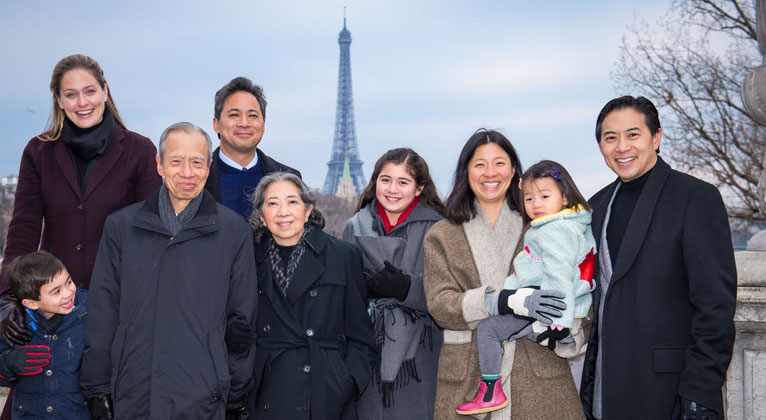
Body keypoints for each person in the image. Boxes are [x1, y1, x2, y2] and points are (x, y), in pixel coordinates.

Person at [0, 54, 162, 419]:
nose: (82, 102)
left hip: (113, 305)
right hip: (54, 307)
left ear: (105, 90)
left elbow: (151, 235)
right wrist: (9, 297)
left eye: (89, 91)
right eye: (71, 95)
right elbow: (22, 230)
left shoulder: (139, 150)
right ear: (58, 100)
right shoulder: (38, 151)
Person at [79, 122, 257, 419]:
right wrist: (97, 388)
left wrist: (234, 391)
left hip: (204, 394)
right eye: (176, 161)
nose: (187, 173)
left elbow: (242, 320)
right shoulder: (120, 227)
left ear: (209, 166)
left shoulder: (234, 231)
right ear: (159, 165)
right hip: (133, 392)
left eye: (197, 162)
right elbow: (102, 314)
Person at [580, 96, 737, 420]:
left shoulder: (695, 198)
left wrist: (700, 394)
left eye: (633, 134)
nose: (622, 146)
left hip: (671, 395)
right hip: (604, 396)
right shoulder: (595, 207)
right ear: (601, 146)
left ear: (657, 137)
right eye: (611, 138)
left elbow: (715, 306)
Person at [424, 129, 587, 420]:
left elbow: (580, 282)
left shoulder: (543, 225)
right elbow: (439, 304)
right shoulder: (442, 234)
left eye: (499, 163)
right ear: (466, 171)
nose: (490, 173)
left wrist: (566, 329)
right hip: (468, 371)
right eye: (479, 164)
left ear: (514, 170)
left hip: (538, 372)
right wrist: (500, 302)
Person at [457, 160, 595, 416]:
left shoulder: (554, 231)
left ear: (564, 196)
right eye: (529, 198)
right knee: (501, 328)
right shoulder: (558, 226)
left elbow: (559, 275)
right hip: (544, 303)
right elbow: (528, 270)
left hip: (546, 305)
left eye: (544, 196)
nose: (536, 205)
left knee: (487, 330)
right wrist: (508, 296)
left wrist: (558, 322)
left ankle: (489, 391)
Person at [248, 172, 377, 420]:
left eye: (292, 202)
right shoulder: (247, 258)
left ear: (308, 211)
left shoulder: (343, 255)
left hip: (325, 391)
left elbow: (361, 335)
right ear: (262, 216)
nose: (283, 212)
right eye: (272, 203)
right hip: (266, 389)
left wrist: (345, 380)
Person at [340, 148, 445, 420]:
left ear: (419, 188)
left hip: (422, 353)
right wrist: (364, 290)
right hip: (366, 350)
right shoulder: (355, 226)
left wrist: (406, 288)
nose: (392, 189)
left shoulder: (439, 229)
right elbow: (340, 292)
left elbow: (449, 293)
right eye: (386, 180)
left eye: (403, 182)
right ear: (375, 182)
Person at [0, 251, 88, 419]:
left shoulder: (90, 312)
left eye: (69, 281)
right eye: (56, 291)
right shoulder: (12, 324)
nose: (69, 292)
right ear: (31, 303)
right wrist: (8, 363)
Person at [204, 76, 301, 217]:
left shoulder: (290, 177)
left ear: (263, 125)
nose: (244, 123)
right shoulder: (197, 178)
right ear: (216, 124)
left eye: (253, 116)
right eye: (234, 115)